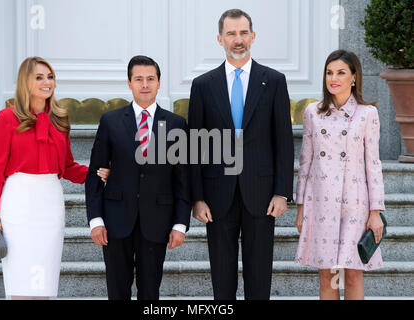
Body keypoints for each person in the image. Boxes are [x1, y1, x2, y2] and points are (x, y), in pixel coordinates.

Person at [0, 56, 110, 300]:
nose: (47, 82)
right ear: (24, 82)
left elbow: (68, 167)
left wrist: (97, 174)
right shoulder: (6, 118)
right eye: (39, 77)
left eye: (50, 77)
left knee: (45, 282)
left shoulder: (60, 119)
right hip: (18, 202)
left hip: (50, 203)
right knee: (21, 279)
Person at [187, 9, 294, 300]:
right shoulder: (203, 86)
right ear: (220, 38)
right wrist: (196, 197)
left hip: (261, 194)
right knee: (222, 281)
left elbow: (283, 141)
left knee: (259, 277)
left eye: (243, 32)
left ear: (253, 36)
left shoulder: (273, 81)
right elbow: (194, 147)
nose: (238, 40)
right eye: (231, 33)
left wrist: (282, 192)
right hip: (216, 194)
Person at [85, 55, 191, 300]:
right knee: (117, 291)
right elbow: (95, 172)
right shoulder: (110, 121)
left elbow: (182, 178)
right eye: (139, 79)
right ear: (129, 83)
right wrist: (96, 220)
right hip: (115, 220)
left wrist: (179, 224)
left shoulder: (176, 124)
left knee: (150, 292)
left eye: (150, 79)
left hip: (157, 222)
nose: (145, 84)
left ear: (159, 82)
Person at [295, 49, 385, 300]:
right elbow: (306, 161)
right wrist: (301, 207)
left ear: (354, 77)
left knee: (354, 272)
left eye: (341, 73)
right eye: (329, 72)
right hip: (321, 201)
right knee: (327, 273)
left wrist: (376, 211)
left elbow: (373, 164)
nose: (333, 78)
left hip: (355, 202)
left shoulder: (368, 114)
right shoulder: (313, 112)